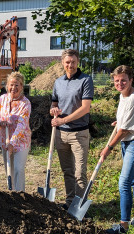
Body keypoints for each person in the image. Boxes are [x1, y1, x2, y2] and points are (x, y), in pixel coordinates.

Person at [101, 65, 134, 234]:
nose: (119, 83)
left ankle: (124, 226)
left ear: (131, 80)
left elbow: (124, 130)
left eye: (123, 80)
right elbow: (125, 121)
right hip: (128, 142)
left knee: (124, 182)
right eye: (116, 81)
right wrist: (119, 121)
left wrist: (108, 148)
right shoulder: (123, 96)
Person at [50, 49, 94, 208]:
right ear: (63, 63)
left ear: (78, 62)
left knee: (79, 174)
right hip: (61, 135)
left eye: (73, 62)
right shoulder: (58, 82)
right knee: (67, 171)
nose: (70, 65)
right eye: (67, 62)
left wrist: (64, 120)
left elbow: (85, 108)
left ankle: (80, 206)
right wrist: (53, 111)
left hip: (79, 133)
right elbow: (54, 105)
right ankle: (70, 203)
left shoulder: (85, 80)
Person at [0, 72, 32, 191]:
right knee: (9, 169)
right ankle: (11, 195)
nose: (13, 88)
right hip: (5, 139)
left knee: (18, 169)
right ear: (7, 86)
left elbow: (22, 125)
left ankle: (20, 195)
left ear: (21, 86)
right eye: (11, 85)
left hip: (21, 141)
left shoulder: (25, 104)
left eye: (17, 85)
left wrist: (12, 143)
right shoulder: (3, 99)